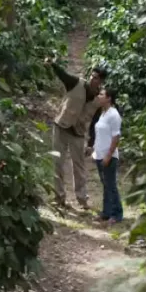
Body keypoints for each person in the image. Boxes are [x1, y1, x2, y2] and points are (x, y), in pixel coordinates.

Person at [45, 57, 107, 209]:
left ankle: (82, 199)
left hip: (78, 133)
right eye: (92, 76)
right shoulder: (75, 83)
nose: (93, 79)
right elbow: (62, 74)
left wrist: (91, 144)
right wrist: (52, 64)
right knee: (57, 163)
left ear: (101, 81)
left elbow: (95, 123)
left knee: (78, 167)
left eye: (96, 78)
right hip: (61, 126)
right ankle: (59, 197)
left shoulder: (99, 100)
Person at [92, 87, 123, 225]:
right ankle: (106, 212)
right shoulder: (103, 113)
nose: (99, 96)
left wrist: (109, 155)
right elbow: (101, 134)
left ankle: (116, 214)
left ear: (109, 98)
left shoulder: (113, 115)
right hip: (99, 155)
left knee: (110, 185)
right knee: (105, 184)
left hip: (108, 156)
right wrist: (92, 149)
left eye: (101, 94)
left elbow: (116, 137)